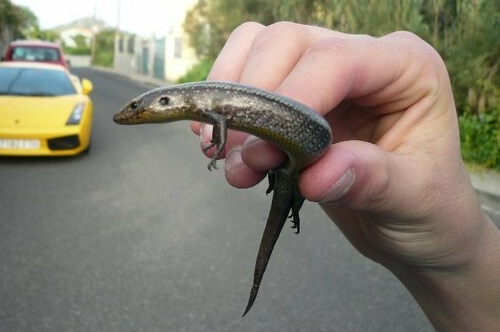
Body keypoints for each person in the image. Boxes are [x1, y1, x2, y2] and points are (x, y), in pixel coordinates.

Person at [190, 21, 500, 331]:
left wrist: (465, 259)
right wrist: (467, 262)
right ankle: (286, 198)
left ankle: (287, 198)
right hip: (292, 162)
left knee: (286, 175)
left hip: (299, 155)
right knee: (286, 176)